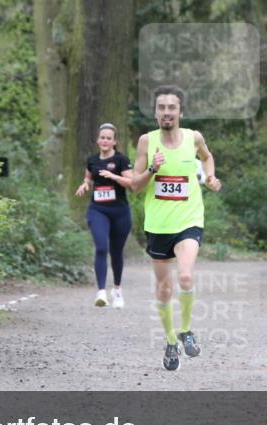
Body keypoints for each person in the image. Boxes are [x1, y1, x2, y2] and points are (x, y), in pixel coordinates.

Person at [131, 85, 222, 370]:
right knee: (163, 290)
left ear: (180, 112)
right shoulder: (147, 141)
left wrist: (210, 177)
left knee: (184, 276)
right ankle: (171, 341)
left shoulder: (194, 138)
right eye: (161, 108)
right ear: (156, 112)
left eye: (171, 108)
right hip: (158, 225)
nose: (166, 112)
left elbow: (207, 157)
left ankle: (186, 330)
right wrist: (152, 170)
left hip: (189, 220)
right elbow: (135, 185)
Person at [75, 123, 133, 308]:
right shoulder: (92, 160)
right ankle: (101, 292)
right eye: (102, 137)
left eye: (109, 138)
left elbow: (130, 183)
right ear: (98, 140)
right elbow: (88, 177)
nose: (105, 141)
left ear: (114, 141)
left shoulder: (121, 160)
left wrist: (113, 176)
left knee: (116, 252)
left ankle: (117, 290)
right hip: (98, 209)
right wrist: (85, 184)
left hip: (120, 211)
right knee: (101, 247)